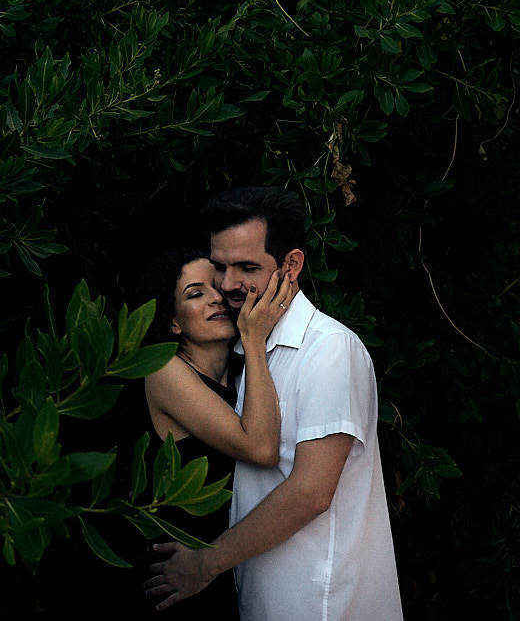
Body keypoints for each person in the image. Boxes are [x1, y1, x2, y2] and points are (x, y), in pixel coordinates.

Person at [145, 187, 403, 620]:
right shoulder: (247, 354)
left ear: (292, 264)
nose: (227, 286)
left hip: (320, 603)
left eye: (247, 268)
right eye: (220, 268)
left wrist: (206, 562)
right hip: (260, 600)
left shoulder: (329, 349)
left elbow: (311, 492)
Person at [132, 247, 294, 619]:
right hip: (177, 581)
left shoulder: (241, 378)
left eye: (216, 286)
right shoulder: (163, 369)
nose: (215, 297)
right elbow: (262, 447)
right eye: (195, 293)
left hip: (223, 573)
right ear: (173, 322)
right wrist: (254, 340)